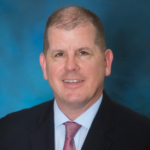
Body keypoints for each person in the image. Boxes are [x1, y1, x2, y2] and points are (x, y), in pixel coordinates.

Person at [0, 6, 150, 150]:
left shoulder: (143, 136)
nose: (70, 66)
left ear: (106, 62)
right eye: (59, 54)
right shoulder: (7, 131)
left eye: (83, 53)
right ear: (44, 65)